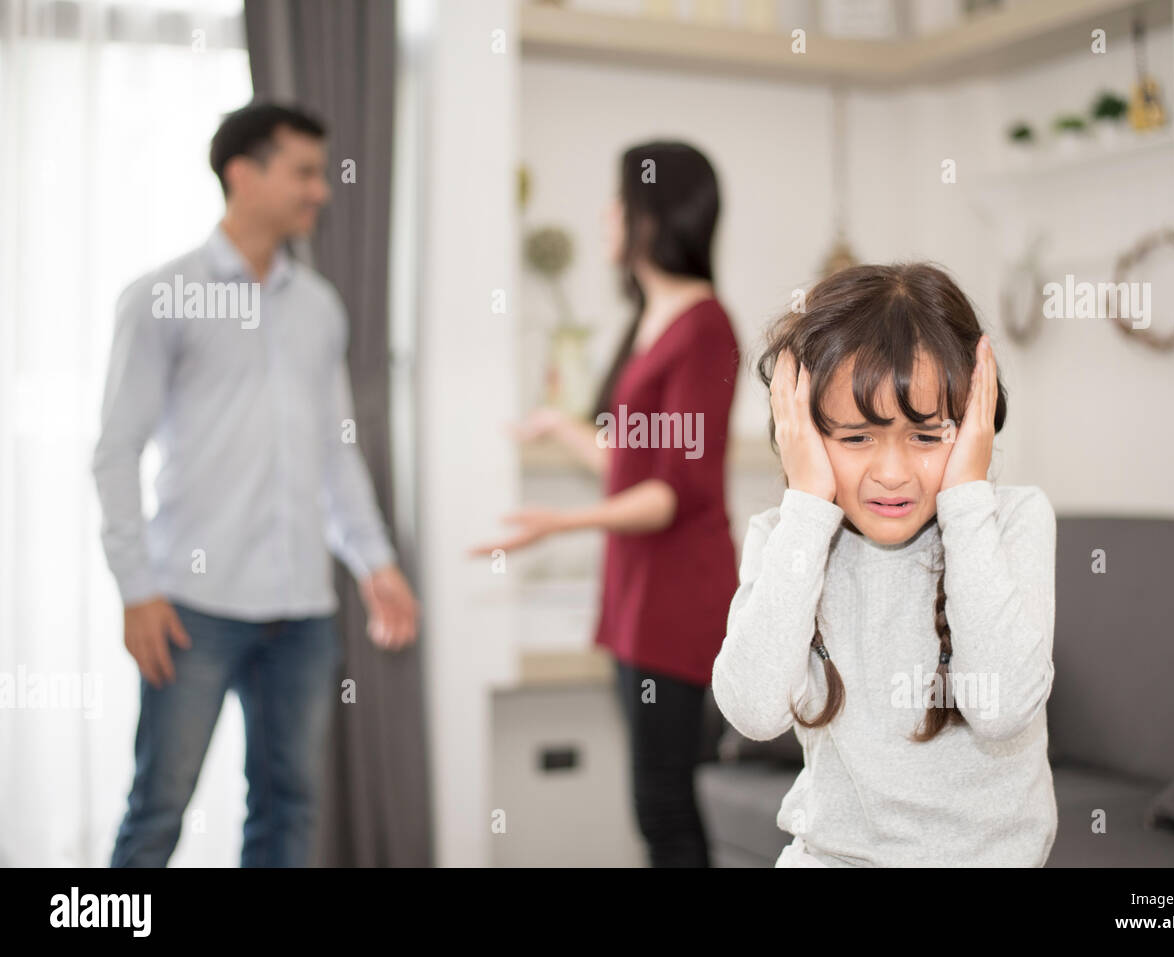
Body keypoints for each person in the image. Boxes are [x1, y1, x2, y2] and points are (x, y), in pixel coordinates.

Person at [92, 102, 419, 867]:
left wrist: (375, 561)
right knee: (157, 810)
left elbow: (336, 453)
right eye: (304, 172)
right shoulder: (159, 297)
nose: (322, 190)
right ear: (243, 173)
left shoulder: (320, 309)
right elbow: (115, 452)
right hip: (190, 609)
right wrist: (136, 588)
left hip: (302, 612)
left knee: (288, 813)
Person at [714, 262, 1057, 867]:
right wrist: (807, 508)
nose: (892, 473)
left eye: (927, 437)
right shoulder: (787, 536)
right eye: (856, 438)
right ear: (805, 435)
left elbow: (1001, 709)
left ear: (975, 424)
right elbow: (753, 711)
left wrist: (966, 500)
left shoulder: (1009, 523)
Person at [472, 141, 738, 867]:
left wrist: (560, 522)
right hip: (635, 599)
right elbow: (630, 470)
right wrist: (562, 428)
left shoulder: (705, 328)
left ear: (656, 214)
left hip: (679, 601)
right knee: (654, 805)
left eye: (620, 200)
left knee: (668, 807)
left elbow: (671, 493)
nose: (606, 214)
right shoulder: (651, 321)